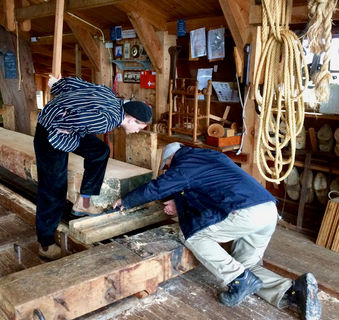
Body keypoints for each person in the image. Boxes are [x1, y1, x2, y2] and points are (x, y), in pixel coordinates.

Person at [112, 142, 321, 320]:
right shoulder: (210, 157)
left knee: (192, 235)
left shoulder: (183, 164)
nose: (168, 170)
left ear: (169, 160)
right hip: (267, 211)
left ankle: (240, 280)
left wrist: (126, 200)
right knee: (244, 265)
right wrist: (180, 202)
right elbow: (206, 190)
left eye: (166, 167)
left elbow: (158, 187)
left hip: (245, 213)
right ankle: (293, 290)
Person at [34, 75, 153, 260]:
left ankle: (84, 201)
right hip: (51, 135)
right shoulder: (107, 121)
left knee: (100, 150)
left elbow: (74, 83)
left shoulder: (111, 96)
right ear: (131, 120)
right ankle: (45, 244)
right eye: (139, 128)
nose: (137, 132)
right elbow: (74, 119)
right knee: (54, 188)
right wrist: (63, 126)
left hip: (67, 128)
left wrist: (56, 85)